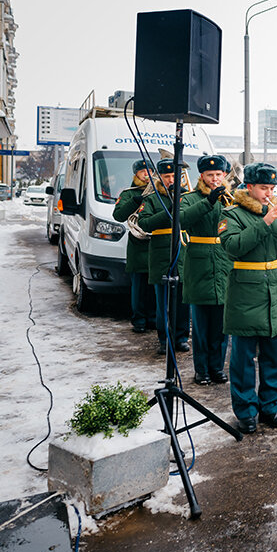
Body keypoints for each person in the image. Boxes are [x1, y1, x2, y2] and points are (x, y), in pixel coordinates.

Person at [219, 163, 277, 434]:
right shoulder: (231, 214)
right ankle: (246, 411)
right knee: (243, 359)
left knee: (276, 356)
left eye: (272, 188)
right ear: (249, 187)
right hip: (247, 291)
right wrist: (265, 222)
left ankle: (271, 407)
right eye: (263, 188)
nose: (269, 193)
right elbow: (234, 247)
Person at [179, 155, 232, 385]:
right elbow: (181, 220)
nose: (215, 179)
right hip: (199, 265)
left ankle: (217, 367)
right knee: (200, 325)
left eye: (218, 175)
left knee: (221, 326)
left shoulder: (232, 199)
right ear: (201, 176)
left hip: (224, 263)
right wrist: (208, 201)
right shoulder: (190, 198)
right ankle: (201, 369)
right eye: (210, 175)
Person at [135, 158, 190, 356]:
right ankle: (164, 339)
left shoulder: (188, 196)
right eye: (167, 176)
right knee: (163, 303)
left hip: (183, 252)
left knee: (183, 301)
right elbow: (145, 223)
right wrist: (170, 212)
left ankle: (182, 338)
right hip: (160, 254)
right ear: (159, 177)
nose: (171, 179)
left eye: (174, 175)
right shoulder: (152, 198)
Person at [112, 159, 156, 334]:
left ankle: (153, 318)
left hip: (156, 245)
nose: (147, 174)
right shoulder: (128, 194)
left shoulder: (158, 192)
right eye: (143, 171)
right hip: (138, 247)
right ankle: (139, 320)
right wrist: (135, 202)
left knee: (155, 287)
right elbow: (118, 215)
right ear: (136, 174)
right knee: (139, 288)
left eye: (150, 171)